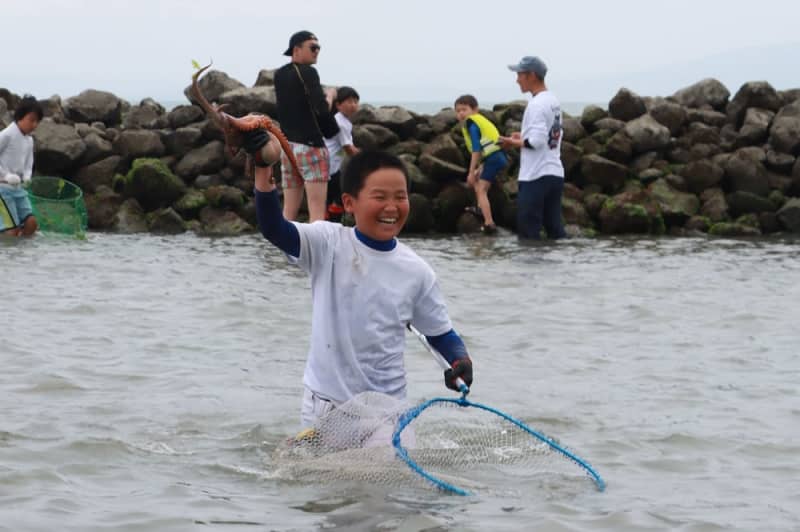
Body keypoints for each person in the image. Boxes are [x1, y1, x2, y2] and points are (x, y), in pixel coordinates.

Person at [241, 130, 474, 429]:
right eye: (380, 197)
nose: (392, 207)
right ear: (350, 203)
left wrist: (459, 361)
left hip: (387, 411)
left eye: (400, 197)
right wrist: (263, 170)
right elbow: (275, 228)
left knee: (384, 473)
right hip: (324, 406)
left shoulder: (417, 271)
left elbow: (440, 334)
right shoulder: (328, 244)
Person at [274, 30, 340, 222]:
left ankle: (284, 250)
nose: (317, 51)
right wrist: (330, 95)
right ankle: (316, 252)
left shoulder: (280, 75)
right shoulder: (309, 72)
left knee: (289, 211)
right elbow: (321, 109)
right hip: (311, 147)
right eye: (313, 47)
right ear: (296, 49)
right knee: (317, 211)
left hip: (288, 147)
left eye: (318, 48)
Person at [498, 56, 566, 240]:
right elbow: (550, 134)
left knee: (529, 233)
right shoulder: (552, 101)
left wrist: (510, 142)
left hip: (535, 175)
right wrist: (522, 137)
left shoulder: (536, 105)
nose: (517, 79)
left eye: (520, 74)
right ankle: (560, 268)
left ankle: (530, 270)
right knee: (555, 230)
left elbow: (536, 141)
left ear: (532, 75)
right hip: (554, 173)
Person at [454, 94, 508, 235]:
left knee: (481, 189)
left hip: (493, 158)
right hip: (495, 156)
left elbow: (477, 149)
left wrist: (471, 171)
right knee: (478, 180)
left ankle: (489, 223)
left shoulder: (472, 124)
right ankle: (480, 208)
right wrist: (478, 169)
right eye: (458, 111)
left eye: (464, 110)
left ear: (475, 110)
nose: (461, 113)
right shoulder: (479, 121)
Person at [0, 95, 42, 237]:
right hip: (2, 190)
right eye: (32, 120)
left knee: (31, 223)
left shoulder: (29, 140)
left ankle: (23, 257)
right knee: (11, 231)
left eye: (37, 121)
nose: (34, 125)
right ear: (20, 117)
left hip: (18, 189)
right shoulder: (7, 135)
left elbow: (29, 163)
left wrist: (27, 176)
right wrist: (6, 175)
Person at [324, 86, 361, 222]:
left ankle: (328, 219)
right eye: (349, 102)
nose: (353, 105)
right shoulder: (341, 123)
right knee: (341, 194)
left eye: (356, 102)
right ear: (338, 105)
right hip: (331, 166)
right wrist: (364, 158)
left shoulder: (341, 120)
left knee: (331, 196)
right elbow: (348, 148)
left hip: (331, 165)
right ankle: (333, 221)